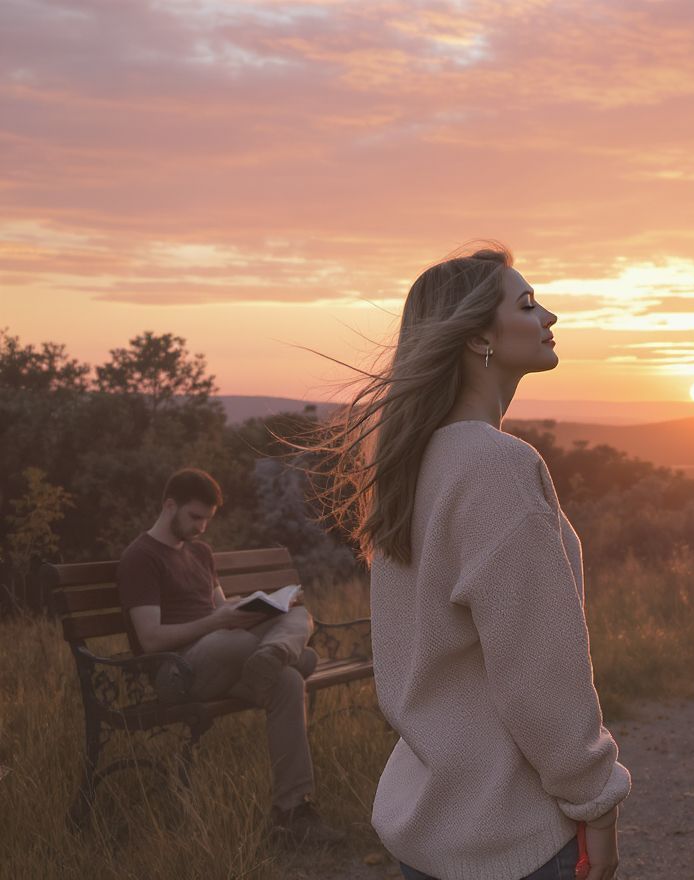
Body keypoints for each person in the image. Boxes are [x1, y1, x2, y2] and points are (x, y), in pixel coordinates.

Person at [314, 245, 630, 880]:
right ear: (479, 336)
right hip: (511, 840)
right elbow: (540, 674)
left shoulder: (415, 464)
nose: (550, 315)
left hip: (430, 831)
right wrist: (597, 802)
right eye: (527, 303)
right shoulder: (496, 468)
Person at [115, 467, 344, 847]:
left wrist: (256, 608)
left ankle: (292, 814)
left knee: (296, 628)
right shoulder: (140, 558)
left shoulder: (201, 553)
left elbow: (221, 608)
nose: (202, 527)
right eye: (195, 517)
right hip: (178, 670)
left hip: (229, 656)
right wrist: (220, 621)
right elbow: (151, 639)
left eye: (207, 519)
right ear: (169, 506)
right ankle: (289, 655)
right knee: (250, 648)